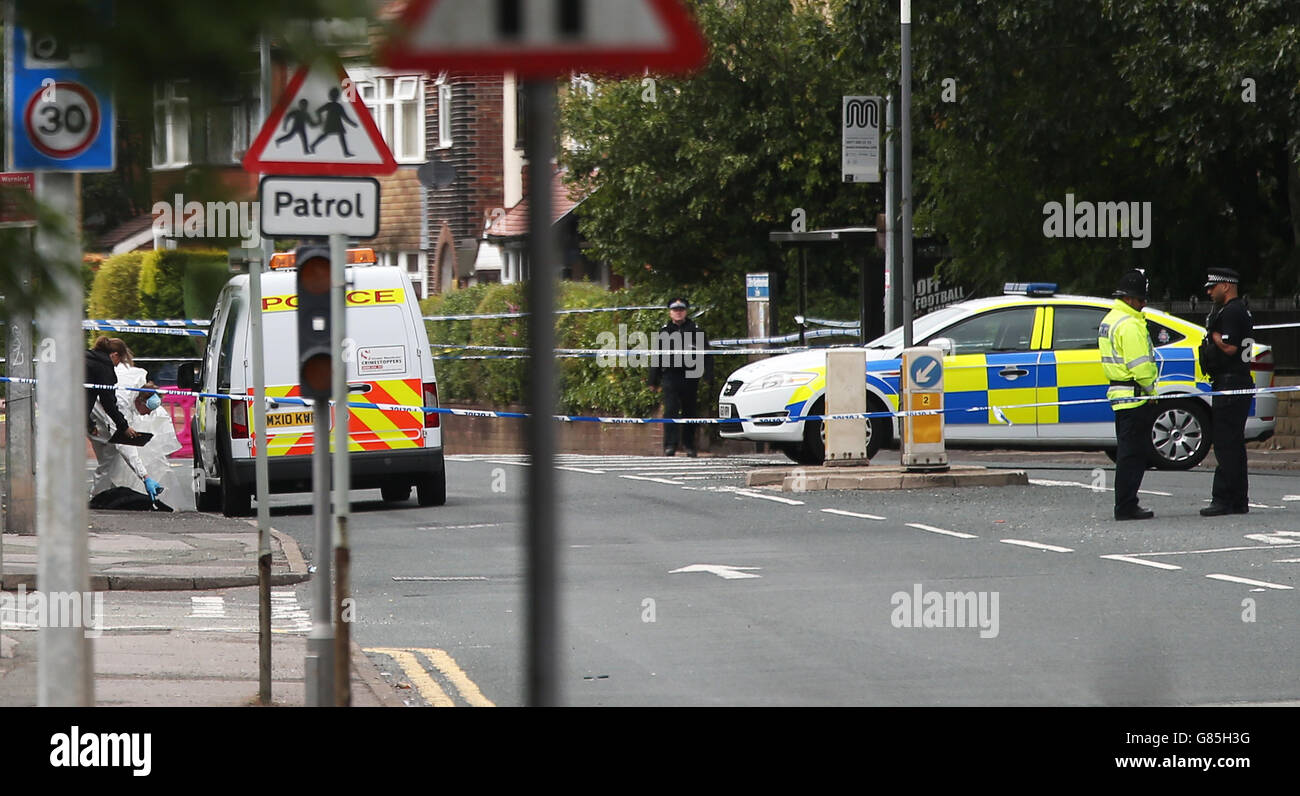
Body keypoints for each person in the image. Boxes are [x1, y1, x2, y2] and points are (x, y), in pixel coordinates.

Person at [1099, 270, 1159, 521]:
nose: (1144, 303)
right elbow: (1142, 368)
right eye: (1141, 299)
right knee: (1132, 455)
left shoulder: (1110, 320)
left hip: (1119, 394)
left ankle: (1125, 503)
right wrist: (1152, 390)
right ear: (1130, 299)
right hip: (1135, 396)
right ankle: (1126, 505)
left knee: (1127, 453)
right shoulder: (1130, 325)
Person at [1198, 267, 1254, 516]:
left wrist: (1215, 336)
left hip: (1231, 384)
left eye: (1213, 287)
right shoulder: (1239, 310)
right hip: (1235, 382)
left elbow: (1230, 348)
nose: (1209, 292)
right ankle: (1238, 499)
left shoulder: (1232, 312)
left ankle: (1224, 499)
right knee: (1233, 443)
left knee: (1225, 443)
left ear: (1226, 286)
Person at [649, 297, 712, 457]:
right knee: (670, 410)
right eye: (675, 310)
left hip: (691, 375)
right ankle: (670, 445)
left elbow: (707, 354)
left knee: (689, 410)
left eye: (681, 310)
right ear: (670, 313)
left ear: (686, 311)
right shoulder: (664, 331)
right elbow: (656, 356)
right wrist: (653, 379)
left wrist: (708, 375)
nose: (678, 313)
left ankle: (689, 445)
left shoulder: (695, 330)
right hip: (670, 375)